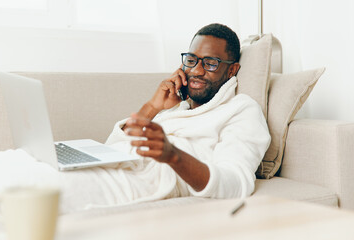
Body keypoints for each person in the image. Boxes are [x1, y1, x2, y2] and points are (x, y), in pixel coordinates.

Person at [105, 23, 271, 200]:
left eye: (210, 63)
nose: (196, 71)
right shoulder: (176, 108)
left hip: (142, 179)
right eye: (191, 60)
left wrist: (173, 155)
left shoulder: (241, 109)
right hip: (114, 166)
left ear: (232, 70)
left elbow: (235, 183)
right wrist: (153, 106)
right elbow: (109, 150)